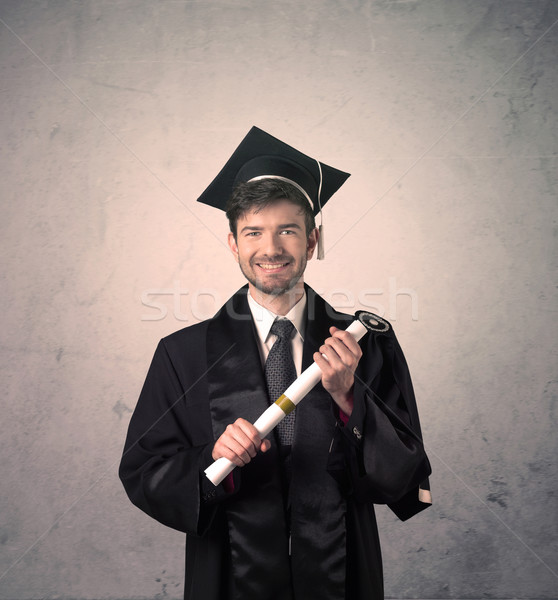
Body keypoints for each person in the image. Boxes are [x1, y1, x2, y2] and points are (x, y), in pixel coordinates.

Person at [119, 127, 432, 600]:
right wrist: (212, 459)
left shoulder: (366, 344)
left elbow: (402, 475)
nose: (271, 249)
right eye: (253, 232)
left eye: (287, 230)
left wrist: (349, 399)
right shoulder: (181, 354)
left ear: (312, 240)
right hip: (227, 573)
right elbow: (145, 472)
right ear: (232, 243)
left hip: (342, 572)